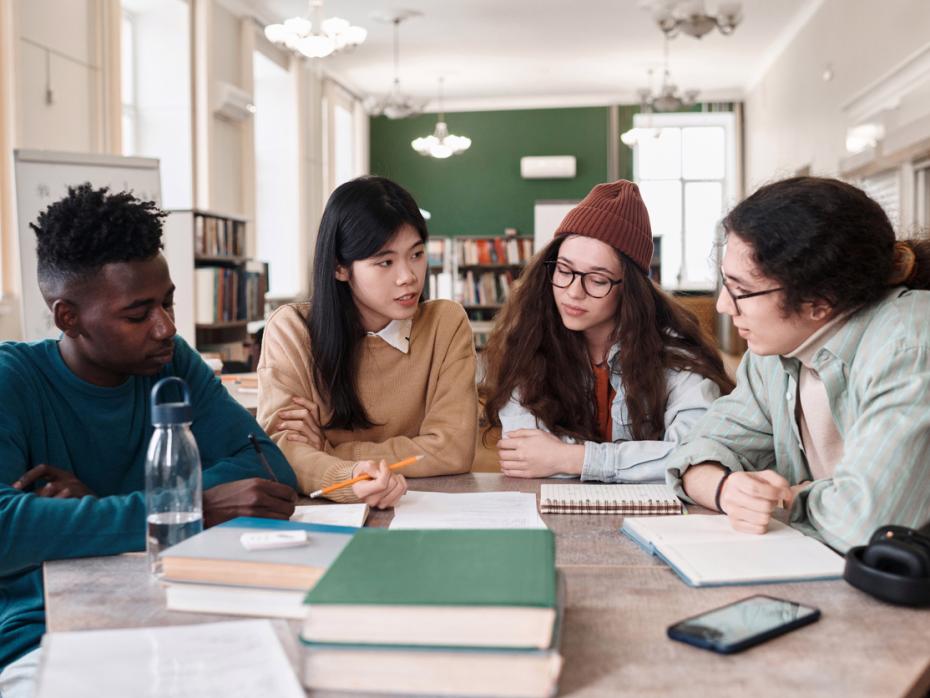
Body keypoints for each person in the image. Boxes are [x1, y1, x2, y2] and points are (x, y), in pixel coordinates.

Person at [0, 184, 300, 696]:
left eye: (168, 302)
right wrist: (192, 508)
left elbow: (267, 467)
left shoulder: (172, 361)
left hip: (179, 602)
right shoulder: (13, 380)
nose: (165, 327)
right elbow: (6, 531)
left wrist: (96, 509)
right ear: (67, 317)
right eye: (138, 315)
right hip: (45, 629)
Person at [666, 176, 930, 552]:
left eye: (741, 290)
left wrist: (786, 499)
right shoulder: (775, 354)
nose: (724, 306)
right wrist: (728, 490)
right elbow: (695, 451)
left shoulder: (910, 344)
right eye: (725, 284)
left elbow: (867, 523)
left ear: (819, 300)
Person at [480, 180, 733, 482]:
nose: (573, 292)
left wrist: (571, 458)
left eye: (597, 280)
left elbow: (696, 455)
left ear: (630, 289)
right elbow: (526, 457)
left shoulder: (675, 354)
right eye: (564, 270)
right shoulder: (527, 341)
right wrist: (642, 462)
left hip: (661, 523)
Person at [257, 176, 477, 503]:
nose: (409, 277)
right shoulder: (293, 330)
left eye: (416, 254)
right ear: (339, 268)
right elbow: (282, 450)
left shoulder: (445, 323)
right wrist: (351, 477)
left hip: (426, 507)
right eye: (385, 262)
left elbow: (453, 449)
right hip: (326, 509)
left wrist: (332, 451)